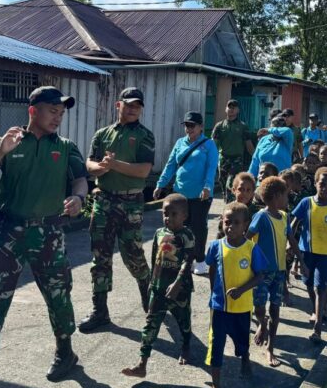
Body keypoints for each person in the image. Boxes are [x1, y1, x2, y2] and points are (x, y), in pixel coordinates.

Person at [0, 86, 89, 388]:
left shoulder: (66, 148)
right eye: (52, 110)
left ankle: (65, 353)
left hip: (49, 234)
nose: (58, 116)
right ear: (33, 111)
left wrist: (79, 198)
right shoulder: (11, 141)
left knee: (59, 296)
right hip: (9, 233)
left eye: (61, 111)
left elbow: (81, 178)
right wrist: (1, 151)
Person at [79, 87, 155, 333]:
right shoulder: (103, 134)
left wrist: (113, 165)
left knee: (132, 254)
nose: (133, 109)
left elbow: (143, 170)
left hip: (130, 202)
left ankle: (150, 298)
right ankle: (100, 311)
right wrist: (98, 168)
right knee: (100, 257)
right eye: (129, 104)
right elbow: (89, 162)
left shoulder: (145, 135)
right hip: (104, 201)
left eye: (137, 106)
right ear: (118, 105)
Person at [203, 202, 269, 388]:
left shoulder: (251, 248)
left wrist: (241, 290)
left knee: (242, 342)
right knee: (216, 346)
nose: (230, 226)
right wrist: (214, 294)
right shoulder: (216, 246)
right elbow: (212, 270)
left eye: (236, 223)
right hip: (219, 308)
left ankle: (245, 358)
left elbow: (260, 275)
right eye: (227, 222)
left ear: (246, 225)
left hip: (242, 308)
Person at [122, 194, 195, 378]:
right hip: (158, 287)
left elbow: (188, 261)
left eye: (173, 214)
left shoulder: (187, 236)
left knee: (183, 321)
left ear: (184, 215)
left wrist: (178, 283)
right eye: (165, 213)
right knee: (150, 324)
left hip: (179, 290)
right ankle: (142, 364)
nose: (168, 218)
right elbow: (155, 258)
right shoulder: (159, 233)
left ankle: (186, 346)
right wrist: (151, 284)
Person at [154, 111, 218, 277]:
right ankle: (184, 259)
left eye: (192, 125)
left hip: (200, 194)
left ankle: (200, 260)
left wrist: (207, 187)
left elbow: (211, 168)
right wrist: (160, 184)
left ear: (201, 126)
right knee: (180, 227)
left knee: (198, 227)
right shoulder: (180, 143)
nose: (189, 129)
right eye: (186, 126)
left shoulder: (209, 145)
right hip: (180, 193)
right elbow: (171, 165)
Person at [291, 167, 327, 344]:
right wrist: (289, 244)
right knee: (307, 283)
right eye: (322, 184)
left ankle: (318, 329)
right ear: (315, 184)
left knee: (320, 286)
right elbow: (293, 224)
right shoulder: (306, 203)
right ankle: (318, 309)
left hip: (326, 254)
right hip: (306, 252)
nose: (325, 188)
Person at [249, 176, 291, 367]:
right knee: (259, 306)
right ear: (276, 197)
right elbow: (247, 238)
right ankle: (261, 323)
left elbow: (292, 240)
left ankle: (270, 348)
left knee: (275, 307)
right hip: (262, 273)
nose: (287, 199)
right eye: (285, 195)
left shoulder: (284, 217)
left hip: (280, 272)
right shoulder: (261, 216)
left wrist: (301, 260)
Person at [211, 100, 256, 200]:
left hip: (236, 160)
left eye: (234, 107)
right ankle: (229, 206)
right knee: (222, 183)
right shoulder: (219, 126)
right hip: (223, 159)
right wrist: (210, 160)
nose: (231, 109)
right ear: (226, 109)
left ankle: (231, 207)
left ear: (238, 110)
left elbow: (248, 145)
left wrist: (256, 158)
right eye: (229, 107)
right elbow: (214, 145)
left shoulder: (243, 126)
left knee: (230, 183)